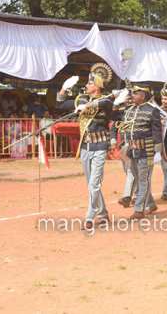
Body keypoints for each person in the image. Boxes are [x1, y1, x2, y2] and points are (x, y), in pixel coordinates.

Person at [56, 63, 124, 228]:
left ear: (98, 87)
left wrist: (85, 107)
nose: (86, 85)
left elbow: (101, 104)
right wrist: (64, 89)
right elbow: (59, 105)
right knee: (91, 185)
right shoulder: (82, 98)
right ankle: (103, 213)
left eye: (90, 83)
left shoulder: (107, 101)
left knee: (94, 184)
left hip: (100, 146)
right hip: (85, 147)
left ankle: (89, 216)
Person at [124, 83, 162, 219]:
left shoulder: (152, 110)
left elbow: (157, 131)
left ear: (142, 96)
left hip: (146, 150)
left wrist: (157, 151)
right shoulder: (129, 110)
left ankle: (139, 209)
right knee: (139, 179)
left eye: (135, 93)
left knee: (143, 180)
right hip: (132, 150)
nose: (132, 96)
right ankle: (151, 203)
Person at [111, 80, 139, 208]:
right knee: (129, 171)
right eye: (126, 97)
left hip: (135, 144)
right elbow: (114, 127)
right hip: (123, 145)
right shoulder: (120, 111)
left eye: (130, 97)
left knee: (131, 172)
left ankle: (127, 196)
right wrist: (112, 141)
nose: (128, 100)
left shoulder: (139, 110)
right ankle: (136, 194)